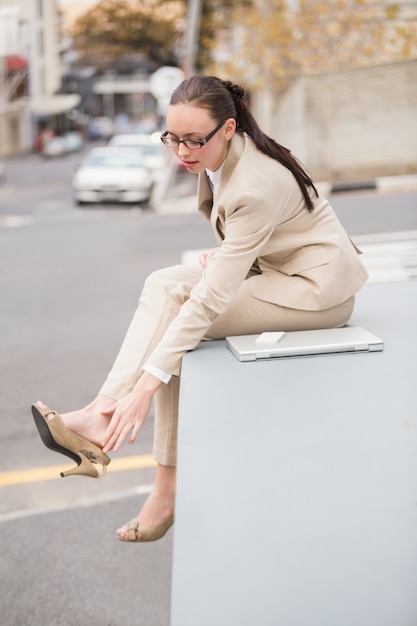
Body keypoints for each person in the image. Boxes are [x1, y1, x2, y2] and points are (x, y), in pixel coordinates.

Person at [32, 75, 368, 543]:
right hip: (273, 271)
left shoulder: (255, 182)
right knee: (162, 283)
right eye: (172, 138)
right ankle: (102, 408)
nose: (182, 152)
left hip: (313, 291)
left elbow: (209, 300)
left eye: (194, 140)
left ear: (228, 129)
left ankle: (164, 487)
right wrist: (235, 254)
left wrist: (146, 387)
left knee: (182, 318)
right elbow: (257, 237)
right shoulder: (221, 156)